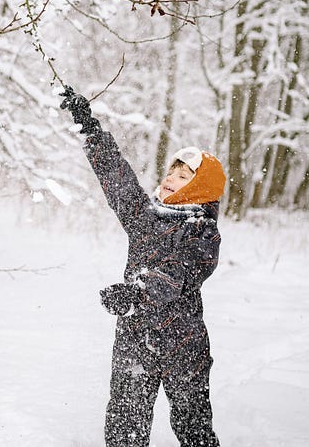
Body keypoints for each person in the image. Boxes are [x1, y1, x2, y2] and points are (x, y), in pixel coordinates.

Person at [59, 86, 225, 447]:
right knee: (124, 428)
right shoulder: (147, 218)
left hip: (183, 344)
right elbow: (120, 183)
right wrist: (91, 130)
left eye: (182, 177)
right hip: (134, 340)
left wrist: (137, 295)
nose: (169, 180)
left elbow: (177, 275)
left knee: (193, 428)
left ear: (201, 188)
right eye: (171, 172)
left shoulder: (203, 232)